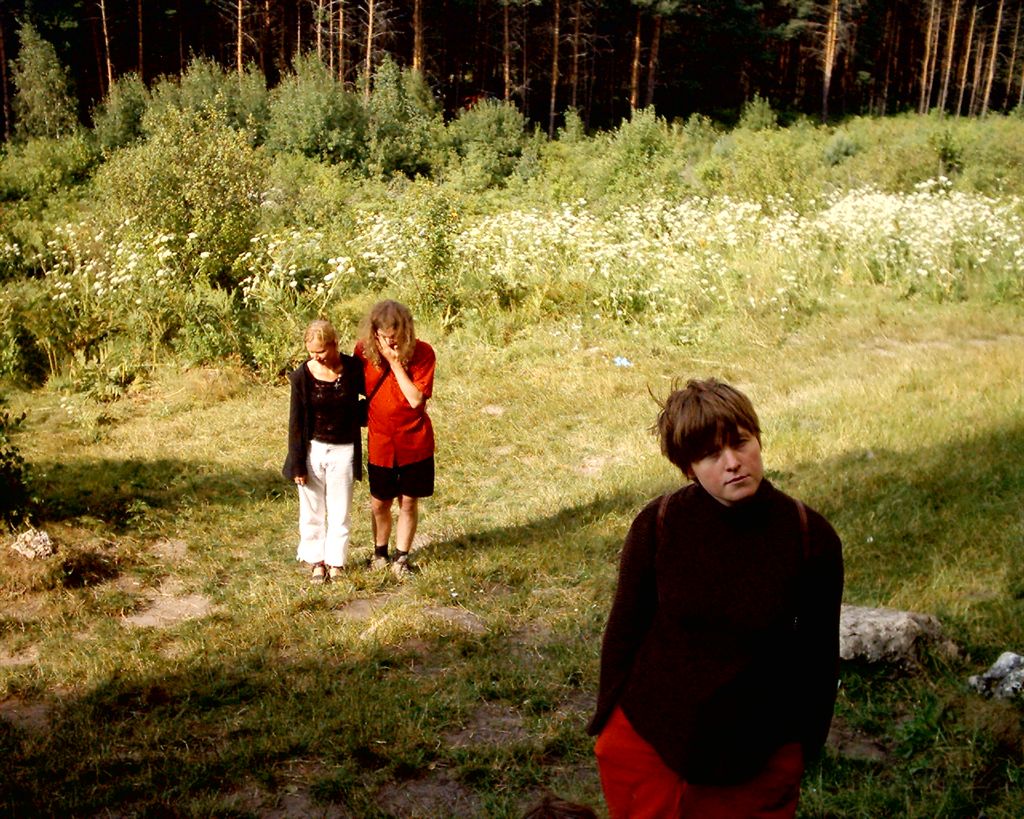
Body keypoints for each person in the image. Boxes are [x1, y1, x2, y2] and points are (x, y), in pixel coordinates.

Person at [588, 378, 844, 818]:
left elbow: (819, 656)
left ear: (758, 439)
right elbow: (625, 629)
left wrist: (803, 748)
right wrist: (608, 722)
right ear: (688, 468)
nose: (732, 463)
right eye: (710, 454)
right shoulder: (659, 524)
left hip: (754, 755)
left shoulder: (809, 536)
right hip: (651, 742)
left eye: (740, 443)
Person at [354, 300, 436, 578]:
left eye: (396, 335)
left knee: (408, 502)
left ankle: (402, 557)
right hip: (381, 443)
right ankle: (380, 553)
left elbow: (415, 400)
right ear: (374, 333)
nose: (390, 341)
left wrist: (394, 362)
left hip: (414, 442)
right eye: (384, 335)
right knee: (379, 503)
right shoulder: (362, 353)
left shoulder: (423, 353)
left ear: (406, 330)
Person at [282, 319, 365, 584]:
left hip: (344, 450)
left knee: (340, 510)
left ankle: (336, 562)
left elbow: (370, 398)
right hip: (313, 450)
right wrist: (297, 463)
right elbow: (296, 423)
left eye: (321, 351)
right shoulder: (301, 377)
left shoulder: (353, 368)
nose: (316, 357)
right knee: (312, 510)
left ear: (334, 344)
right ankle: (316, 561)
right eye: (311, 352)